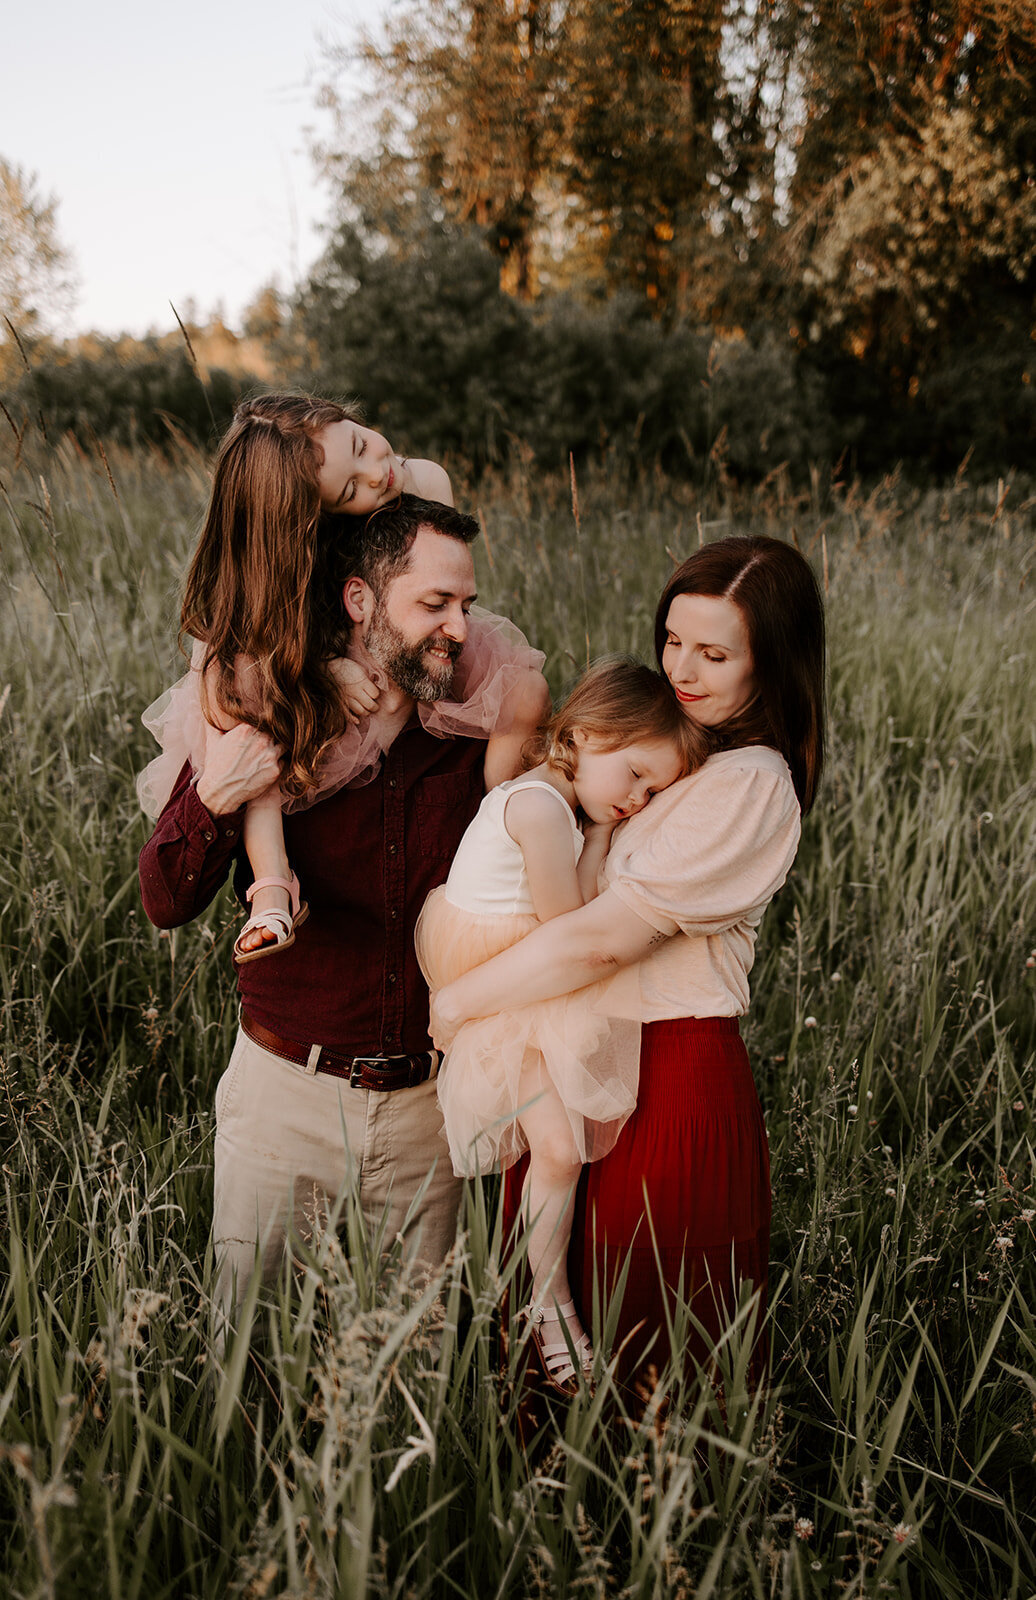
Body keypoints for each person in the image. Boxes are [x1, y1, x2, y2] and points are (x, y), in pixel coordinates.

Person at [138, 492, 548, 1327]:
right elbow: (165, 898)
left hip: (434, 1112)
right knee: (250, 1368)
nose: (458, 628)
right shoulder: (277, 711)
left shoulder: (479, 728)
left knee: (412, 1383)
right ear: (360, 600)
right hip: (287, 1097)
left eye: (466, 605)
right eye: (433, 604)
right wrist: (219, 795)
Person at [431, 535, 825, 1391]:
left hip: (666, 1070)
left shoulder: (751, 781)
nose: (684, 668)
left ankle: (654, 1521)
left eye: (715, 653)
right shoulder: (675, 746)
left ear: (773, 663)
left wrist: (456, 1004)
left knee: (649, 1344)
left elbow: (598, 938)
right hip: (571, 1050)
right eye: (674, 640)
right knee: (558, 1346)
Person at [135, 391, 544, 961]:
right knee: (256, 731)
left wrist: (418, 631)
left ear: (347, 417)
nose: (378, 475)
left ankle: (506, 829)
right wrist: (327, 671)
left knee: (525, 692)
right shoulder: (298, 580)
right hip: (308, 656)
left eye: (360, 444)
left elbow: (437, 563)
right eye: (349, 490)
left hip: (391, 635)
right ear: (320, 515)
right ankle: (272, 890)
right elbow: (272, 639)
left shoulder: (420, 483)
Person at [416, 658, 704, 1392]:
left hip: (521, 962)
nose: (637, 798)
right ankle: (548, 1309)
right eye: (635, 774)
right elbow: (567, 925)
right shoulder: (543, 809)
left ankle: (541, 1303)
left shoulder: (558, 799)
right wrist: (603, 846)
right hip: (506, 973)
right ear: (587, 732)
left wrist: (603, 832)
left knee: (560, 1149)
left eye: (652, 791)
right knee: (559, 1148)